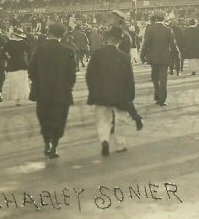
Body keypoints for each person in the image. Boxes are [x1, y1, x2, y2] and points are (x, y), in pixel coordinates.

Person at [86, 26, 143, 157]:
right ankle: (120, 145)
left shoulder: (97, 54)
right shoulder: (123, 57)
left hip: (101, 93)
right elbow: (129, 79)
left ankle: (105, 140)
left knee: (103, 120)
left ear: (107, 39)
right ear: (119, 41)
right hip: (119, 94)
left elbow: (89, 75)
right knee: (121, 120)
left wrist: (93, 90)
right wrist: (130, 95)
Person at [28, 22, 77, 159]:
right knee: (60, 119)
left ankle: (46, 142)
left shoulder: (39, 50)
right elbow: (72, 74)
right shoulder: (69, 52)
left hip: (43, 92)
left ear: (49, 33)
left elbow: (31, 71)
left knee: (45, 117)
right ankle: (55, 145)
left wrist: (37, 83)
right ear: (63, 34)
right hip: (62, 92)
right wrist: (68, 86)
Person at [140, 13, 179, 107]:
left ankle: (157, 95)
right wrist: (177, 55)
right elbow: (173, 45)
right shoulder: (168, 30)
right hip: (164, 57)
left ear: (156, 19)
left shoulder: (150, 29)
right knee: (163, 78)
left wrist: (142, 55)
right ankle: (162, 99)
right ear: (164, 19)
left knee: (154, 77)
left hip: (153, 57)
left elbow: (146, 43)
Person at [5, 27, 30, 106]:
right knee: (22, 82)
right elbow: (29, 50)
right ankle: (19, 98)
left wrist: (9, 57)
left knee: (14, 83)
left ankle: (16, 99)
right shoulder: (24, 42)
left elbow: (4, 53)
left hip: (12, 65)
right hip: (22, 64)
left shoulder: (9, 43)